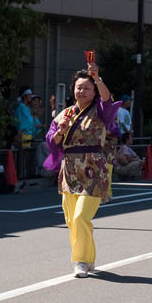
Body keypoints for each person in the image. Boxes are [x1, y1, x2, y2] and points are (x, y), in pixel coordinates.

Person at [44, 63, 120, 278]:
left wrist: (98, 78)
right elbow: (52, 142)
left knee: (80, 218)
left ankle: (80, 261)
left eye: (87, 87)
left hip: (93, 170)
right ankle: (89, 257)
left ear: (94, 90)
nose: (82, 91)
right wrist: (61, 130)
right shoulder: (64, 114)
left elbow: (108, 100)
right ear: (73, 89)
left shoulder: (100, 111)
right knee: (72, 221)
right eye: (79, 87)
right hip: (69, 170)